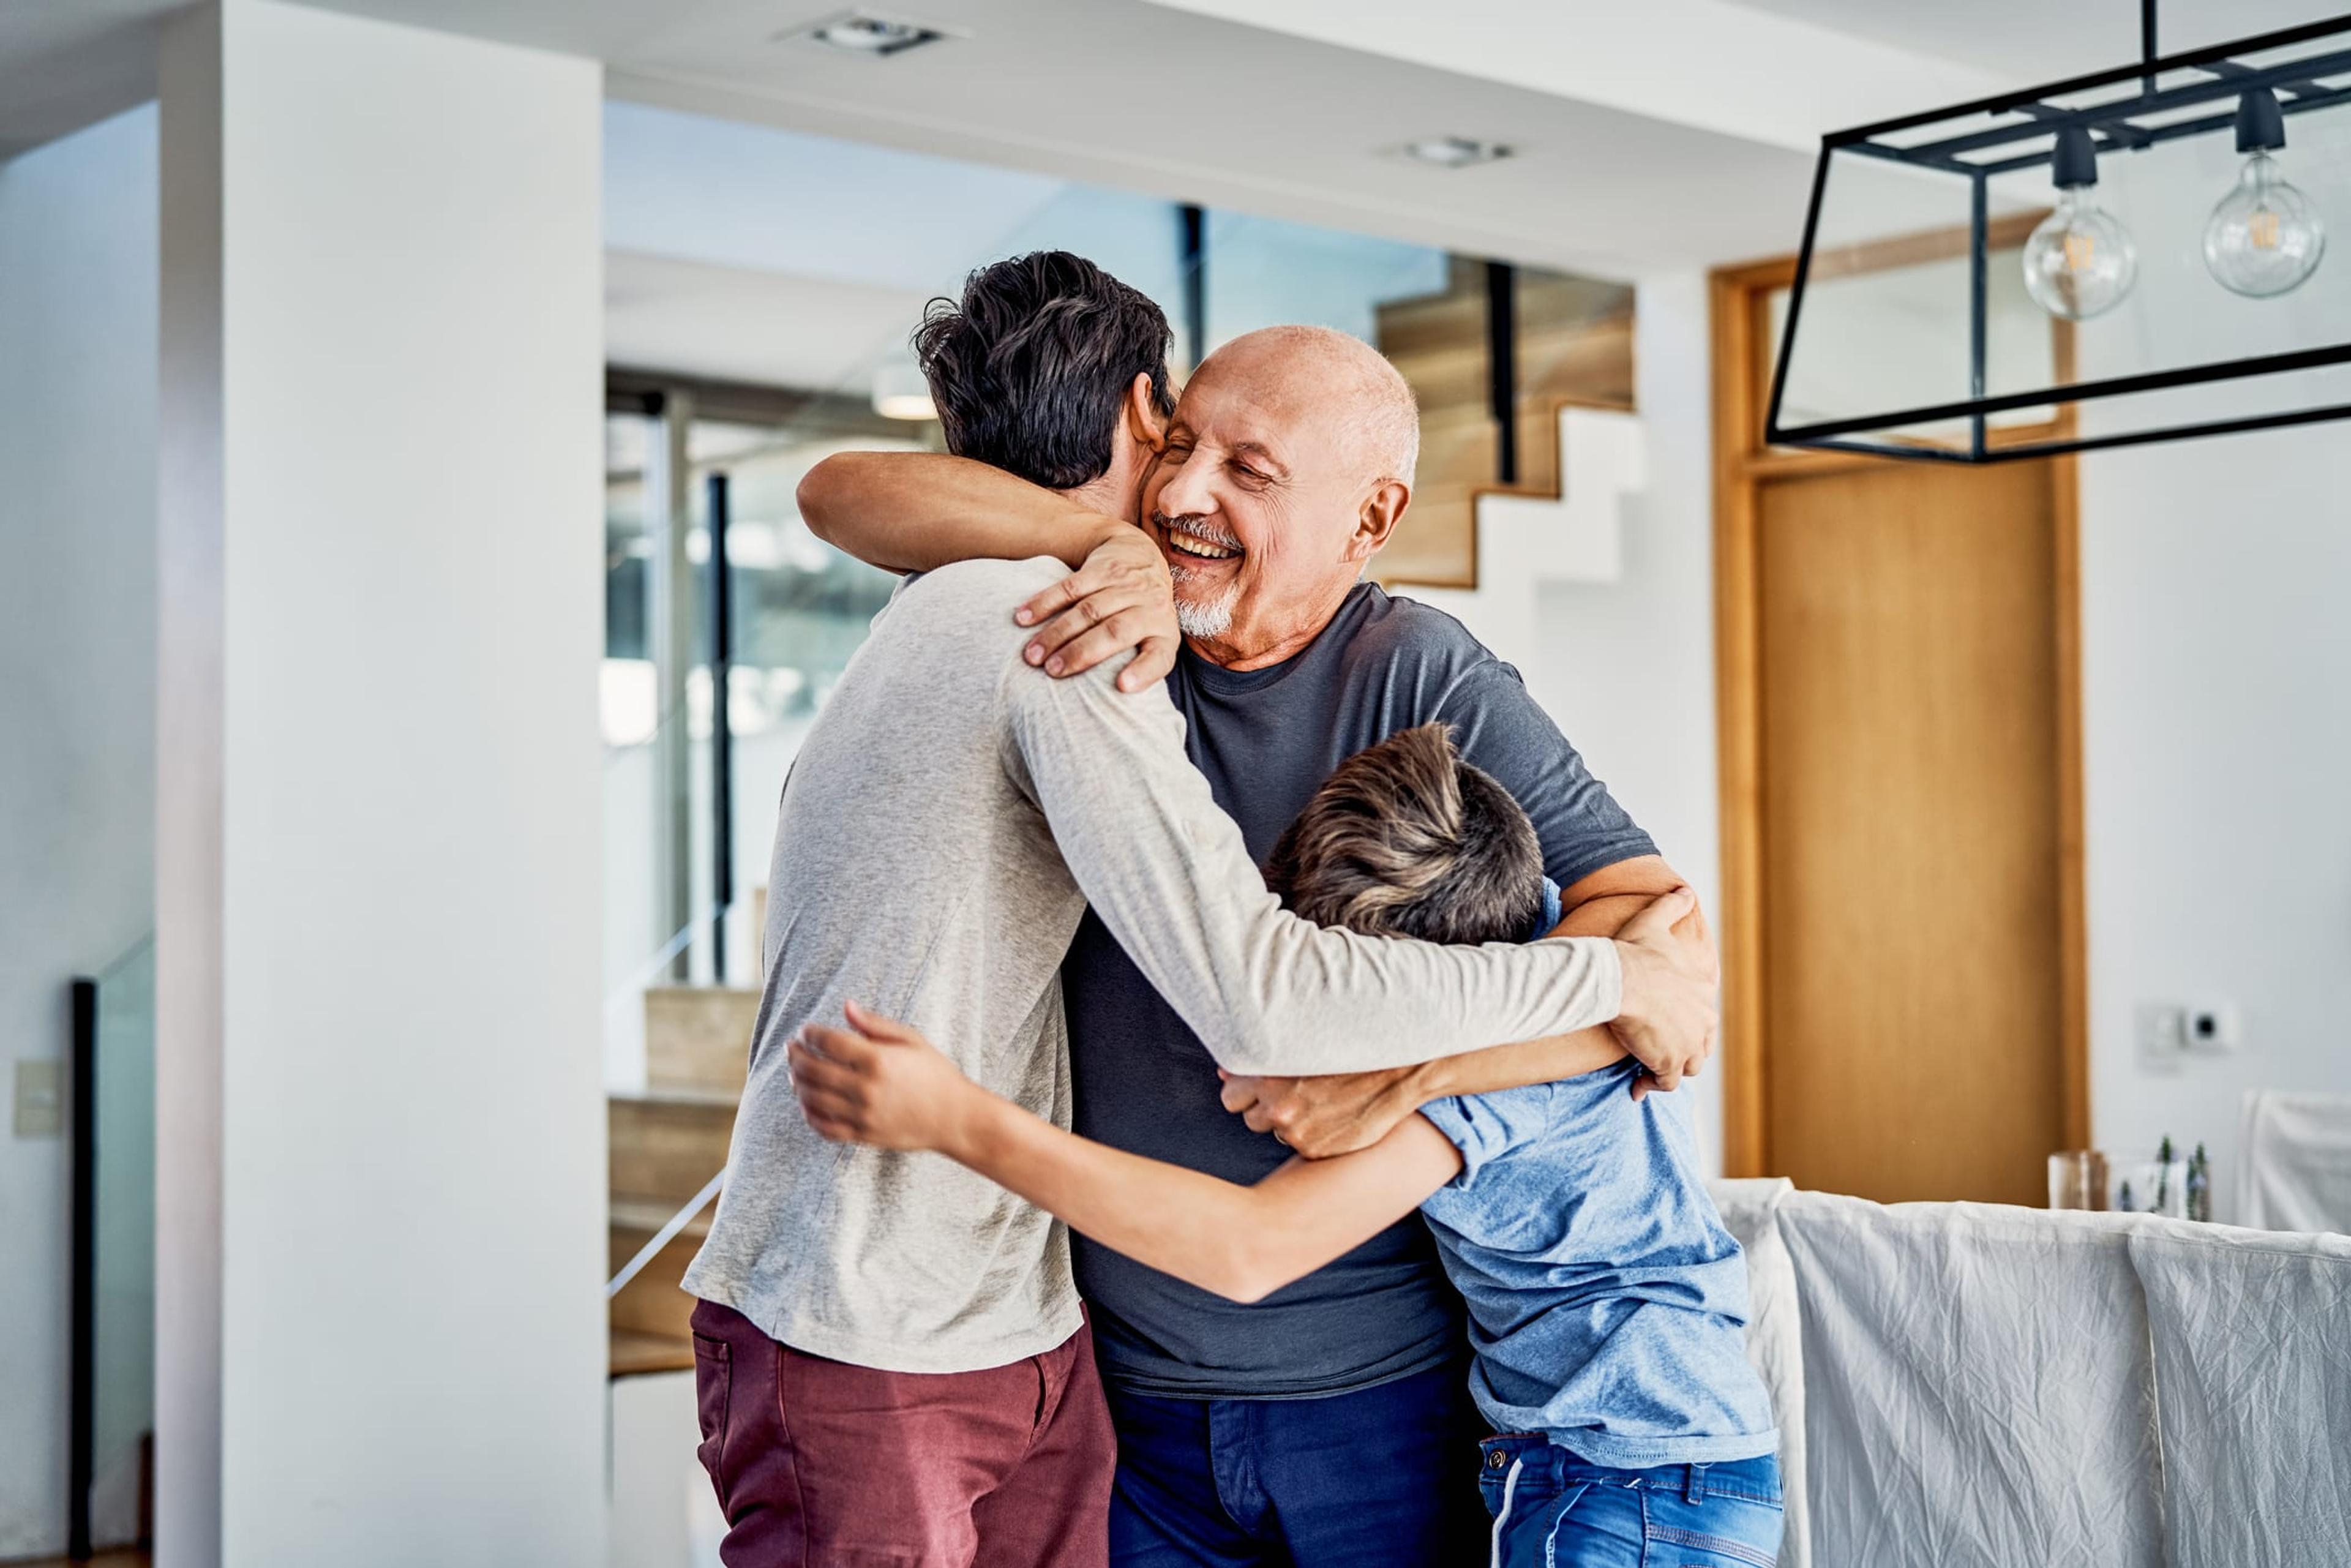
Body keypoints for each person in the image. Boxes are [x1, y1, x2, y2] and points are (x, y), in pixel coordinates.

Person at [680, 252, 1719, 1568]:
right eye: (1177, 447)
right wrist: (1088, 537)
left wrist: (1414, 1077)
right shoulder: (1082, 629)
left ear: (1372, 518)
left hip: (1371, 1392)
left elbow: (1654, 934)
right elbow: (837, 488)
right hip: (1119, 1391)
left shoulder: (1418, 671)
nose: (1183, 492)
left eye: (1249, 471)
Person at [789, 723, 1782, 1568]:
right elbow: (1669, 922)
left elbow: (1252, 1247)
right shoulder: (1568, 943)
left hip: (1629, 1476)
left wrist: (955, 1117)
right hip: (1633, 1460)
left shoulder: (1507, 1076)